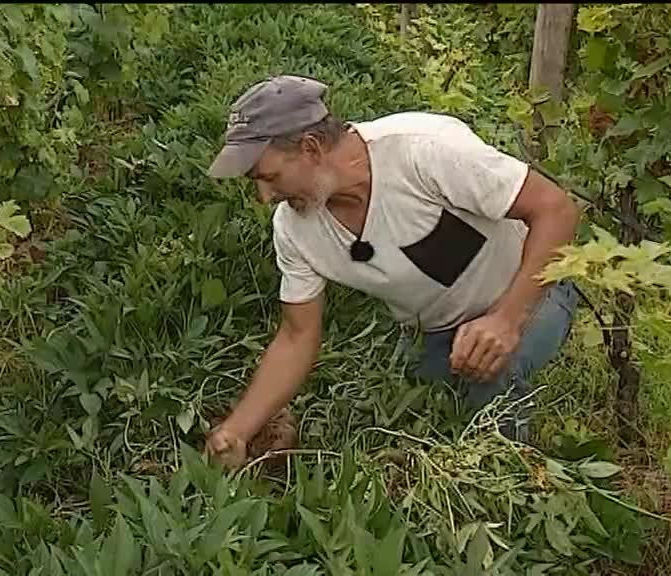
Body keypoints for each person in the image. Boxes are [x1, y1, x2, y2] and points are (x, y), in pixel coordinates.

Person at [204, 75, 581, 469]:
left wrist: (506, 319)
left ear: (310, 148)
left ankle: (515, 485)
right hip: (436, 328)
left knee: (490, 385)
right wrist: (238, 431)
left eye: (268, 177)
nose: (265, 198)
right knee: (417, 412)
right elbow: (298, 335)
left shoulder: (424, 151)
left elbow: (556, 209)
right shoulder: (295, 229)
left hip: (533, 289)